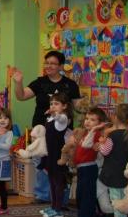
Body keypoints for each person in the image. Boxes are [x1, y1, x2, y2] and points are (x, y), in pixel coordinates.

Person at [11, 51, 82, 202]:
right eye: (47, 62)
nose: (48, 66)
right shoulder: (40, 82)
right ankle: (43, 196)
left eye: (53, 63)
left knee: (60, 163)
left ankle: (61, 197)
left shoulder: (70, 85)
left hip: (62, 132)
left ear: (61, 66)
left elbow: (78, 107)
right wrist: (18, 82)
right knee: (41, 163)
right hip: (41, 131)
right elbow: (21, 96)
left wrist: (88, 105)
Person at [97, 104, 128, 217]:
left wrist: (101, 142)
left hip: (113, 172)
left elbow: (105, 151)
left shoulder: (113, 135)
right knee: (121, 199)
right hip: (124, 172)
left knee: (116, 200)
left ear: (115, 118)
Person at [68, 107, 107, 217]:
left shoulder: (95, 134)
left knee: (86, 196)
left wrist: (94, 130)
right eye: (87, 119)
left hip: (89, 168)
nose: (88, 122)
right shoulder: (86, 133)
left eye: (92, 120)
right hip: (82, 168)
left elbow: (86, 145)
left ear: (100, 124)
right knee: (81, 195)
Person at [39, 94, 73, 217]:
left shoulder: (63, 119)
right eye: (51, 103)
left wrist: (55, 114)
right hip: (50, 154)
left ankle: (58, 209)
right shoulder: (51, 119)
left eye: (56, 103)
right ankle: (53, 206)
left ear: (64, 106)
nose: (53, 106)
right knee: (52, 182)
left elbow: (61, 118)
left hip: (58, 155)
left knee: (58, 183)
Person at [0, 107, 14, 215]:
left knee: (1, 186)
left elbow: (7, 147)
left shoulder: (9, 133)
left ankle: (4, 206)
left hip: (3, 162)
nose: (2, 120)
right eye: (0, 118)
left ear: (9, 120)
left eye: (5, 118)